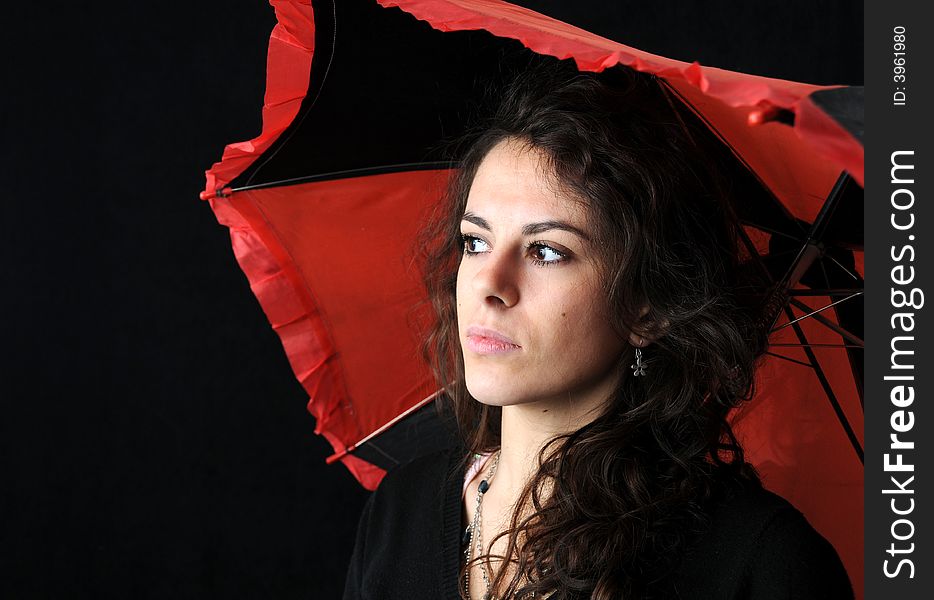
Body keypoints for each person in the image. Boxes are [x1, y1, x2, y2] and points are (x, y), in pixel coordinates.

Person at [342, 58, 854, 599]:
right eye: (475, 242)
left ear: (647, 310)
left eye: (546, 251)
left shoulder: (760, 562)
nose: (488, 284)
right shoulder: (401, 510)